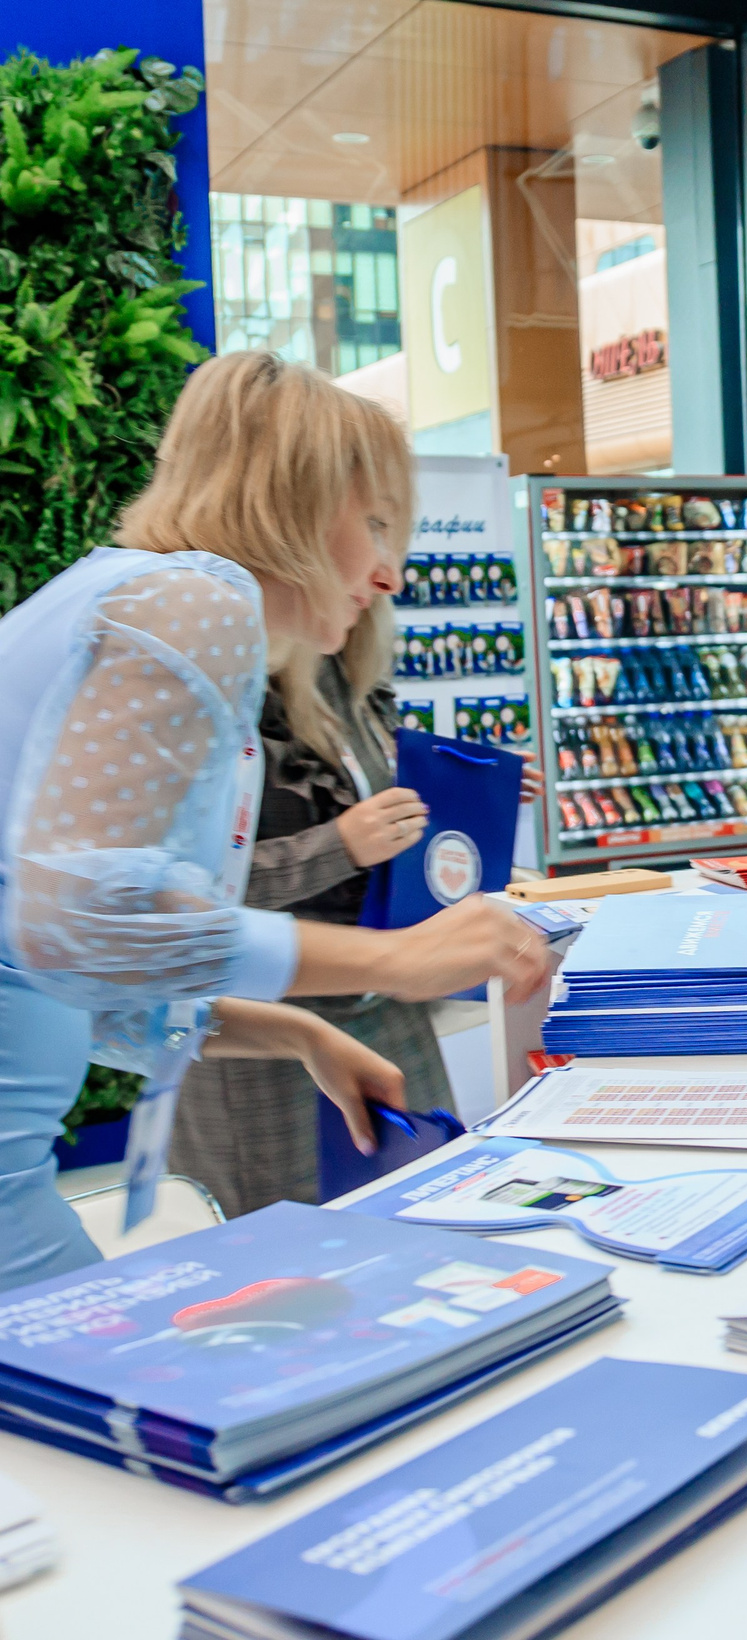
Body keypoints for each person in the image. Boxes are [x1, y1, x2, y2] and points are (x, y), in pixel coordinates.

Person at [0, 352, 549, 1287]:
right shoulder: (195, 602)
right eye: (375, 523)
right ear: (288, 498)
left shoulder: (113, 596)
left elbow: (72, 971)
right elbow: (76, 923)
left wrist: (295, 1031)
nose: (389, 573)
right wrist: (393, 958)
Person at [166, 600, 474, 1215]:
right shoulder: (208, 684)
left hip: (387, 1018)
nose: (388, 573)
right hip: (260, 1047)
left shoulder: (346, 667)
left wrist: (462, 788)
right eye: (373, 526)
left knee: (425, 1222)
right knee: (281, 1269)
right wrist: (336, 847)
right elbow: (175, 900)